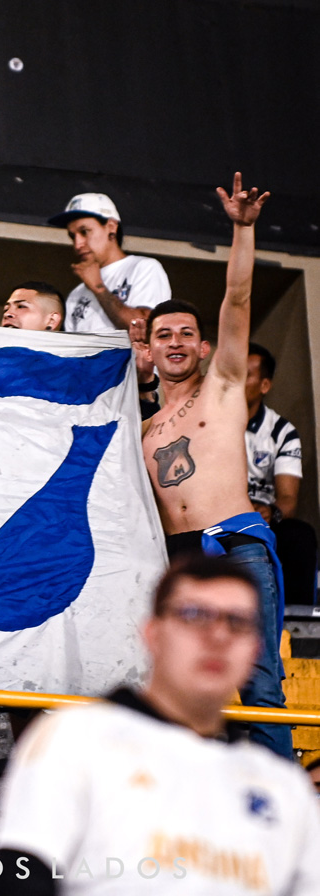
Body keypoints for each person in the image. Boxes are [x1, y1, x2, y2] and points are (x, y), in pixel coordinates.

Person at [0, 555, 320, 895]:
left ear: (256, 649)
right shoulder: (78, 738)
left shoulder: (284, 788)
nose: (218, 635)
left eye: (237, 622)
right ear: (153, 634)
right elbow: (20, 881)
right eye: (195, 615)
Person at [139, 172, 291, 758]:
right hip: (176, 557)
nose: (176, 341)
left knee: (259, 684)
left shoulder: (223, 388)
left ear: (204, 347)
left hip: (235, 544)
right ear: (149, 350)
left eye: (186, 333)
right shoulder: (143, 429)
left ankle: (277, 794)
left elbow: (238, 300)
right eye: (164, 335)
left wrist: (242, 231)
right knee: (176, 686)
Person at [245, 342, 317, 606]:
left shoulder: (282, 432)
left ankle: (294, 622)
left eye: (245, 375)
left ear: (264, 385)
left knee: (300, 535)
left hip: (261, 518)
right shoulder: (210, 421)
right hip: (219, 516)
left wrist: (270, 512)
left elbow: (288, 498)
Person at [48, 192, 170, 332]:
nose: (78, 244)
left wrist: (98, 288)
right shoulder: (76, 294)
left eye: (85, 232)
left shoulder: (144, 267)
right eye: (72, 236)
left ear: (111, 227)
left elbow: (146, 329)